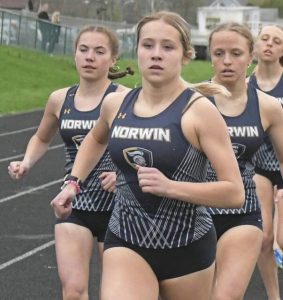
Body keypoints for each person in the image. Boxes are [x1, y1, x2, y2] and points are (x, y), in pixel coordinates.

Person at [51, 11, 245, 300]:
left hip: (186, 248)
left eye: (167, 47)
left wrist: (171, 187)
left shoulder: (199, 112)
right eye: (148, 45)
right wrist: (73, 183)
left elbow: (234, 193)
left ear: (186, 55)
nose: (156, 55)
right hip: (126, 241)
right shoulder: (115, 104)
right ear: (137, 49)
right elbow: (93, 140)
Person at [8, 25, 133, 300]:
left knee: (117, 294)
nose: (90, 57)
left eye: (99, 51)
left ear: (113, 59)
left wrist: (124, 173)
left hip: (118, 206)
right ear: (74, 54)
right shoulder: (60, 98)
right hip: (75, 202)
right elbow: (41, 138)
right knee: (73, 292)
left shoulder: (125, 98)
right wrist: (27, 162)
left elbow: (144, 147)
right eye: (83, 49)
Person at [206, 22, 283, 300]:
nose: (227, 61)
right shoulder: (190, 100)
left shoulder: (268, 107)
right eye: (219, 53)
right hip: (194, 212)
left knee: (226, 296)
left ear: (251, 56)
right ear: (210, 56)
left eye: (236, 53)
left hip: (243, 209)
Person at [249, 24, 283, 300]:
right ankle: (274, 296)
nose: (270, 44)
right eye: (265, 39)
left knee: (282, 241)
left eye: (277, 41)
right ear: (256, 45)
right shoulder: (244, 83)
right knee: (263, 238)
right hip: (259, 168)